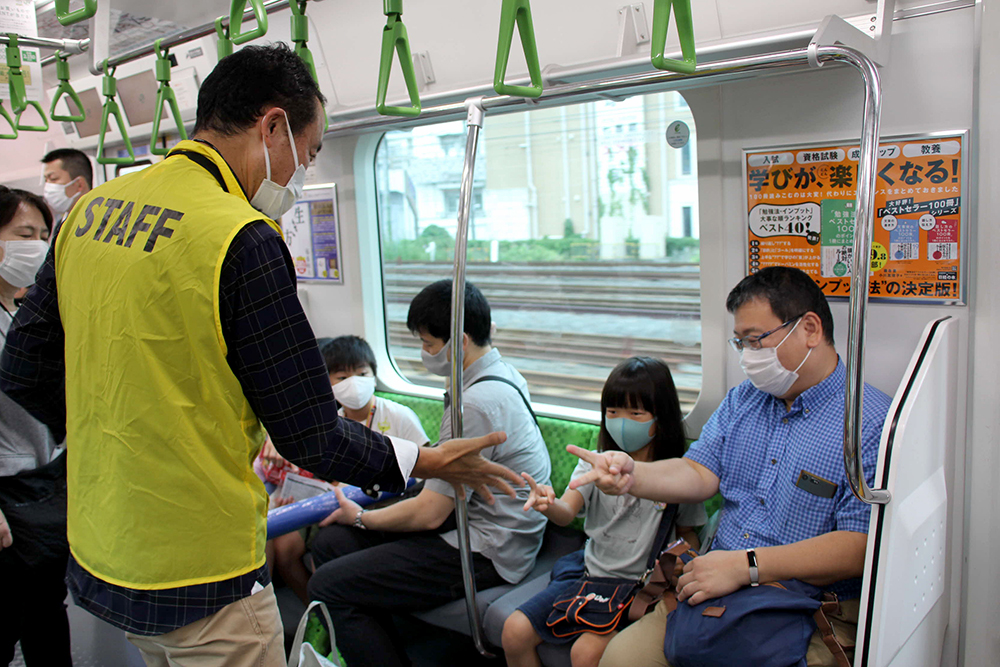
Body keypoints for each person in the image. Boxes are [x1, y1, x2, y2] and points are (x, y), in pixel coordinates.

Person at [0, 45, 519, 667]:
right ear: (272, 127)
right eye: (312, 150)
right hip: (202, 565)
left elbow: (24, 369)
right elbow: (307, 433)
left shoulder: (88, 213)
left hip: (101, 549)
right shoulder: (239, 236)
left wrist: (112, 430)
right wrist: (428, 460)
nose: (303, 170)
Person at [565, 267, 891, 667]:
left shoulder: (870, 424)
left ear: (809, 329)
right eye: (741, 344)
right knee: (620, 659)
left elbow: (858, 546)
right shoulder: (744, 401)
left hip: (804, 603)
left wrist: (747, 566)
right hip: (717, 581)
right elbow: (699, 472)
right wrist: (633, 474)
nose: (749, 357)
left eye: (757, 340)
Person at [306, 280, 552, 667]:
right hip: (483, 520)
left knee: (327, 584)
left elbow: (430, 513)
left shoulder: (474, 403)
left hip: (489, 545)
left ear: (461, 341)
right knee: (331, 542)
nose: (425, 354)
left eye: (429, 344)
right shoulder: (502, 375)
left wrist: (361, 517)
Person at [502, 357, 706, 667]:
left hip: (637, 585)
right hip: (589, 573)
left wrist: (684, 560)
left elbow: (688, 532)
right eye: (612, 412)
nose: (621, 421)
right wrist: (547, 504)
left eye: (635, 413)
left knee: (585, 653)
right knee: (514, 631)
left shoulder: (677, 475)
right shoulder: (593, 464)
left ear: (659, 417)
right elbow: (566, 512)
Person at [266, 335, 431, 603]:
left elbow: (426, 468)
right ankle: (317, 611)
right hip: (337, 506)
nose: (353, 383)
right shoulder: (331, 425)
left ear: (374, 375)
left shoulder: (398, 415)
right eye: (342, 378)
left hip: (387, 505)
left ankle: (333, 604)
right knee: (285, 546)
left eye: (361, 373)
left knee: (327, 544)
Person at [0, 186, 70, 666]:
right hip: (6, 496)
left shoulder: (25, 311)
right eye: (25, 234)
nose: (37, 246)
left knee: (46, 613)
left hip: (47, 486)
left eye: (44, 235)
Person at [41, 148, 92, 223]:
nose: (48, 186)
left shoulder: (103, 219)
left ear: (79, 185)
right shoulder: (61, 225)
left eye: (53, 179)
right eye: (46, 180)